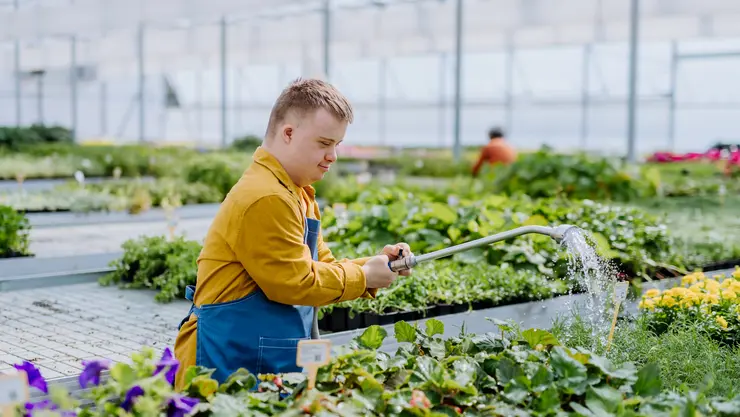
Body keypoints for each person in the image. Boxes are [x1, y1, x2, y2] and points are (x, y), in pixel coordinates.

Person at [173, 78, 413, 389]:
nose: (333, 157)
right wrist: (365, 277)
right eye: (324, 143)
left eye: (336, 145)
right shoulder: (267, 197)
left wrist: (378, 264)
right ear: (289, 133)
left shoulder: (296, 193)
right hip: (228, 361)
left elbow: (320, 267)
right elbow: (295, 282)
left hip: (260, 353)